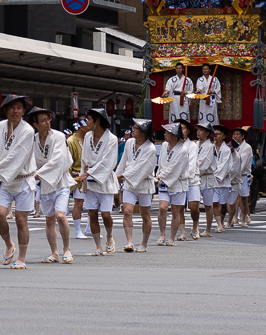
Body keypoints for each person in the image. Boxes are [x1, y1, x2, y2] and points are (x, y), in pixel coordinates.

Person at [0, 95, 36, 269]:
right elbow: (1, 154)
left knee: (21, 219)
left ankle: (22, 257)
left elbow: (16, 156)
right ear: (5, 110)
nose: (16, 111)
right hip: (4, 179)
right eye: (12, 108)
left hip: (23, 179)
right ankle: (8, 244)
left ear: (23, 111)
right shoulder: (1, 126)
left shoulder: (27, 131)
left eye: (19, 107)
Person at [27, 108, 73, 264]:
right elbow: (28, 159)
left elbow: (58, 160)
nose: (47, 123)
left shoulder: (58, 136)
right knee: (49, 219)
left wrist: (38, 173)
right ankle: (54, 253)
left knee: (60, 215)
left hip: (60, 180)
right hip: (46, 183)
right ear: (35, 124)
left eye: (48, 119)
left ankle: (67, 249)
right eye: (43, 120)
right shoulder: (32, 140)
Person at [78, 108, 118, 255]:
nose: (86, 122)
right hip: (89, 180)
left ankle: (109, 236)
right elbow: (84, 158)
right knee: (92, 213)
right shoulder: (88, 136)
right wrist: (84, 174)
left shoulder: (112, 139)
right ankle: (98, 247)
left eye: (89, 119)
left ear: (98, 121)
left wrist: (88, 172)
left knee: (105, 214)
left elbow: (108, 162)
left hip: (105, 180)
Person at [115, 118, 156, 252]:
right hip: (129, 183)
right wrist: (118, 175)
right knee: (127, 211)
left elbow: (142, 168)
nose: (133, 130)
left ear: (144, 132)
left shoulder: (150, 148)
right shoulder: (129, 143)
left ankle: (144, 243)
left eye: (136, 128)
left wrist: (123, 176)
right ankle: (129, 241)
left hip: (144, 183)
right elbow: (124, 161)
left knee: (145, 215)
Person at [155, 123, 188, 245]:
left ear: (175, 135)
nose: (164, 135)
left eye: (167, 133)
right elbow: (161, 163)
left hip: (178, 182)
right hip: (164, 180)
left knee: (175, 210)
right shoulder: (164, 146)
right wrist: (159, 174)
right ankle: (162, 234)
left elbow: (175, 169)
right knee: (162, 208)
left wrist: (159, 176)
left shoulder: (183, 150)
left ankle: (171, 237)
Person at [66, 119, 91, 240]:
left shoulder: (89, 139)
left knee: (93, 203)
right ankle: (77, 230)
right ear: (81, 127)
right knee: (78, 203)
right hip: (77, 175)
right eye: (87, 126)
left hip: (89, 174)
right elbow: (68, 161)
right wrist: (71, 177)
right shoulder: (71, 141)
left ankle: (89, 228)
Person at [178, 119, 201, 240]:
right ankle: (182, 232)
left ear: (188, 131)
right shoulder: (174, 144)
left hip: (191, 179)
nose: (181, 131)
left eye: (183, 128)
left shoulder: (192, 145)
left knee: (194, 206)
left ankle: (195, 226)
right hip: (178, 180)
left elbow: (192, 163)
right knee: (180, 207)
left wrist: (186, 175)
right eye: (179, 128)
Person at [230, 126, 253, 227]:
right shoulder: (230, 146)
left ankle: (243, 217)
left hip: (243, 174)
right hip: (233, 174)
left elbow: (242, 163)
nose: (235, 136)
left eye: (237, 134)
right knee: (234, 198)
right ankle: (234, 217)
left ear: (242, 136)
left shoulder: (246, 147)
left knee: (243, 198)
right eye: (234, 134)